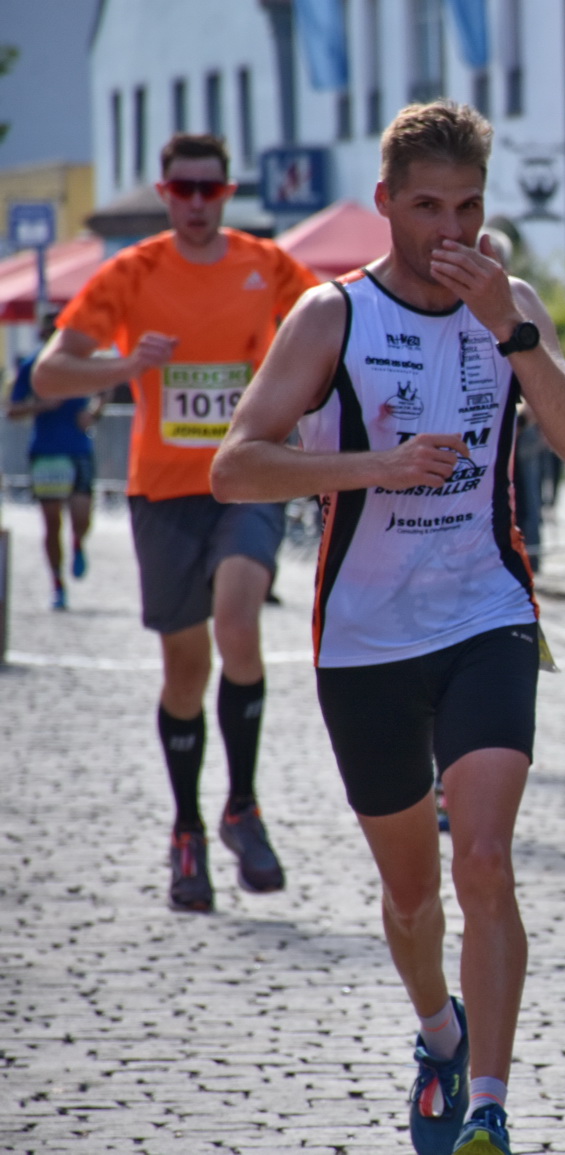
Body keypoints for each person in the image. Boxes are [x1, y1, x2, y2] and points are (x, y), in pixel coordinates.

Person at [211, 100, 565, 1155]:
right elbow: (235, 464)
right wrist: (372, 466)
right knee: (409, 890)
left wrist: (517, 334)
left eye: (469, 208)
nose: (451, 232)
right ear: (384, 202)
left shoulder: (508, 303)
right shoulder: (330, 317)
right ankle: (439, 1030)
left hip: (486, 610)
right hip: (366, 636)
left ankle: (487, 1103)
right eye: (426, 207)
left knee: (481, 856)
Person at [32, 132, 320, 912]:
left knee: (239, 618)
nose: (196, 203)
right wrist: (123, 368)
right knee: (185, 672)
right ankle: (188, 826)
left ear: (228, 193)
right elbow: (50, 370)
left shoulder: (266, 265)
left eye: (210, 190)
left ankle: (244, 806)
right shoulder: (131, 272)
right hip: (162, 492)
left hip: (248, 480)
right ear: (163, 192)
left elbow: (342, 329)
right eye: (183, 189)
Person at [8, 313, 101, 610]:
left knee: (82, 516)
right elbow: (12, 409)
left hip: (79, 449)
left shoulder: (82, 362)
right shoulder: (31, 366)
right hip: (46, 452)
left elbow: (105, 390)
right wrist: (41, 405)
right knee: (51, 523)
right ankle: (57, 583)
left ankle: (78, 544)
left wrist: (94, 413)